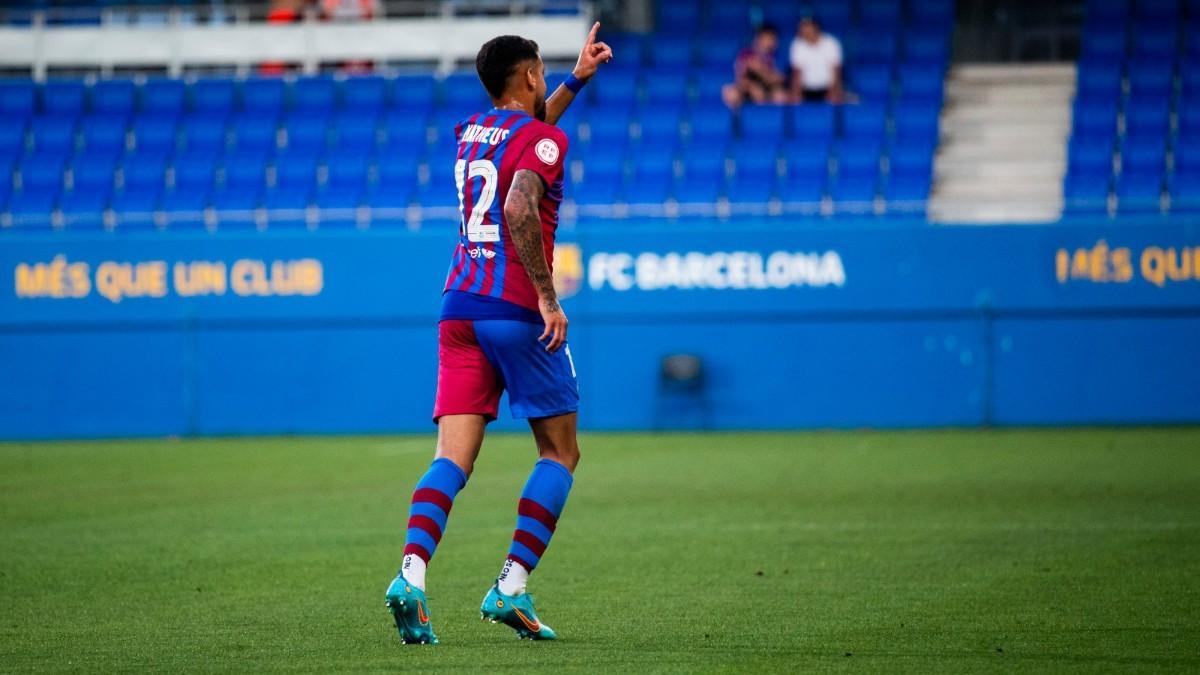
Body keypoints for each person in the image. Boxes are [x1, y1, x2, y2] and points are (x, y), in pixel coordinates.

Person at [383, 24, 612, 645]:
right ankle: (510, 586)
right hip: (513, 309)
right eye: (544, 70)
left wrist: (575, 83)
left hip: (458, 308)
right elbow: (518, 201)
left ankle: (411, 576)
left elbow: (526, 141)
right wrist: (546, 296)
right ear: (529, 75)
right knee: (559, 452)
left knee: (450, 459)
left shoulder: (468, 135)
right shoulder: (539, 140)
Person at [722, 23, 789, 108]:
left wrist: (760, 70)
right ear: (758, 38)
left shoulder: (779, 56)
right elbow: (740, 78)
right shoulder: (745, 53)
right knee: (730, 93)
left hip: (770, 89)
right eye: (766, 38)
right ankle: (738, 120)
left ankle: (772, 119)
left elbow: (779, 79)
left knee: (781, 96)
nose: (769, 41)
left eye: (772, 38)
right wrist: (752, 86)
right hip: (750, 88)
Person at [789, 17, 844, 103]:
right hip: (806, 89)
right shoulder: (797, 44)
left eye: (806, 30)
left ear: (816, 29)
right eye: (801, 30)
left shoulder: (831, 43)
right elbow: (797, 73)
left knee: (843, 99)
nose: (803, 32)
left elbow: (836, 71)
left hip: (827, 88)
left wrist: (833, 91)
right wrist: (796, 94)